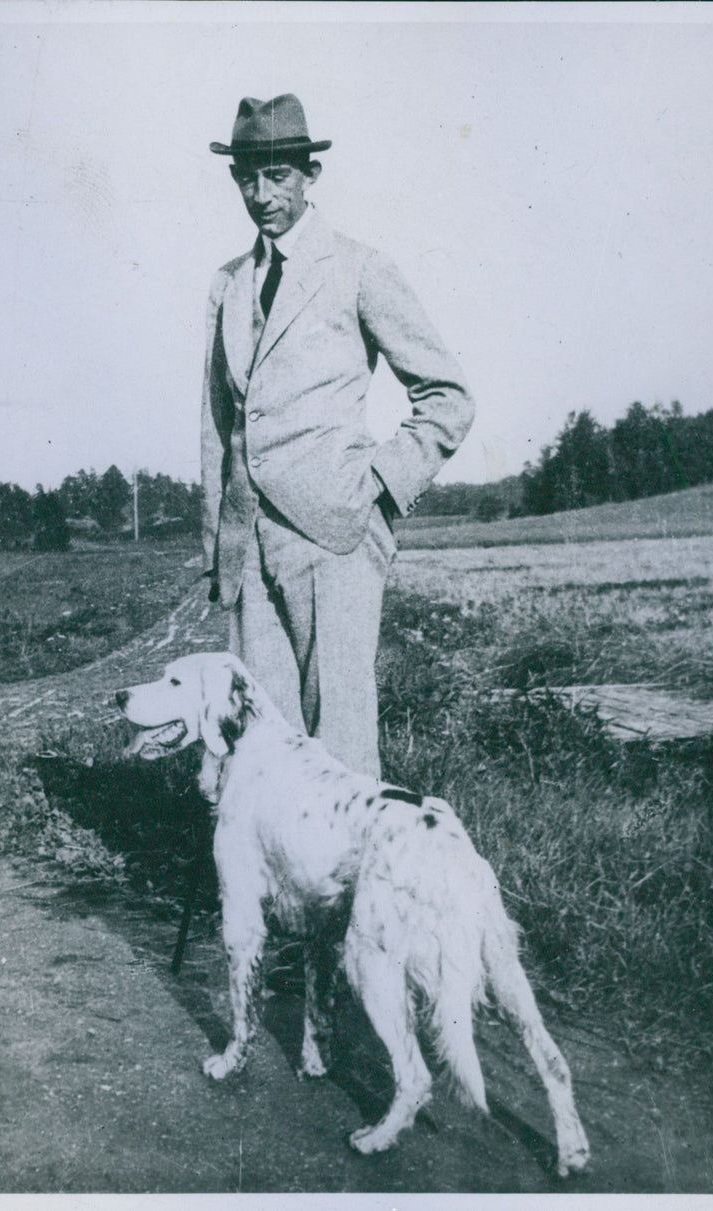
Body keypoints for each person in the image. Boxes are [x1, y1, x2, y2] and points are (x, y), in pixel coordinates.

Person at [201, 94, 474, 777]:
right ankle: (276, 886)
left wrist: (378, 489)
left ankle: (353, 885)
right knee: (259, 751)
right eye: (247, 177)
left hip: (337, 537)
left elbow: (448, 396)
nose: (262, 194)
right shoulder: (227, 285)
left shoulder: (358, 268)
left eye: (278, 175)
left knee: (340, 751)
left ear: (308, 175)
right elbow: (217, 424)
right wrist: (220, 543)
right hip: (250, 546)